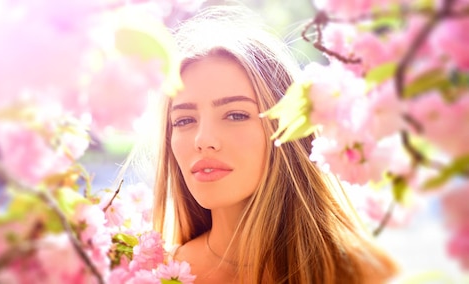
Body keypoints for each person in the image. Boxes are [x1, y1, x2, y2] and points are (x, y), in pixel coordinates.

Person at [139, 4, 398, 284]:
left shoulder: (361, 274)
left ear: (285, 129)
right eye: (184, 121)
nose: (203, 140)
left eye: (236, 115)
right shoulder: (157, 274)